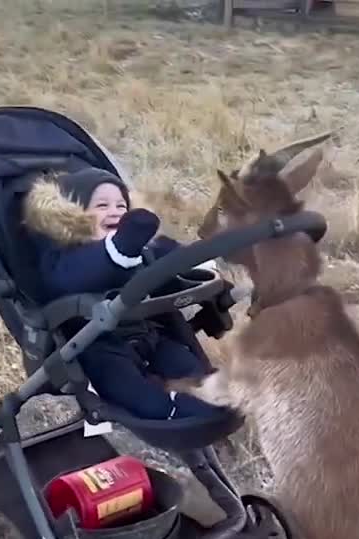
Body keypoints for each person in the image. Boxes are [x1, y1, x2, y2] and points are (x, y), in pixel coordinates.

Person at [20, 166, 225, 421]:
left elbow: (170, 257)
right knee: (125, 383)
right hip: (96, 344)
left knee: (183, 362)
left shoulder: (141, 250)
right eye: (102, 205)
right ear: (74, 215)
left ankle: (209, 393)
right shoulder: (66, 257)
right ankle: (168, 409)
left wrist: (199, 266)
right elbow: (82, 273)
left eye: (121, 205)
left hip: (149, 332)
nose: (115, 211)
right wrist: (118, 249)